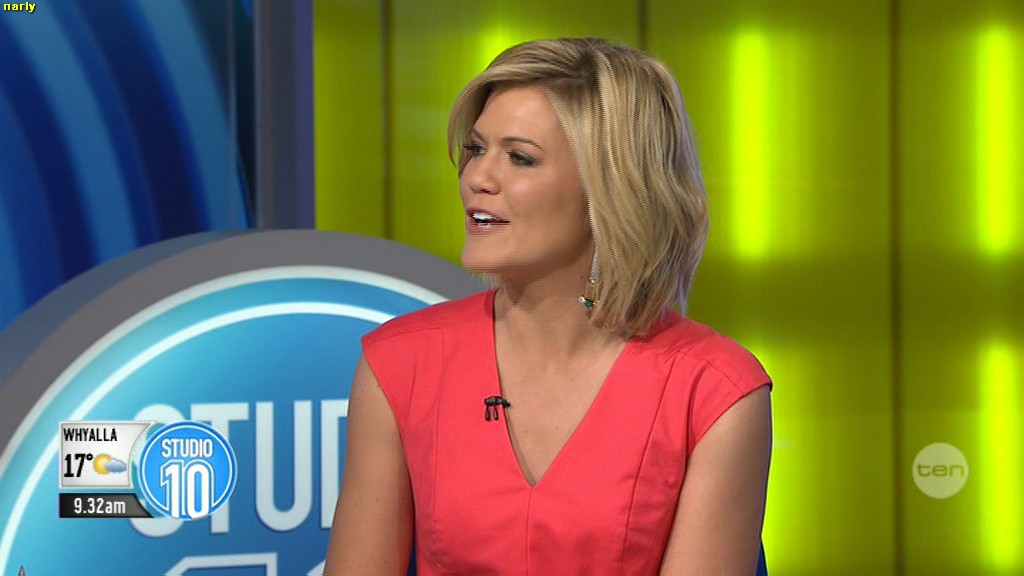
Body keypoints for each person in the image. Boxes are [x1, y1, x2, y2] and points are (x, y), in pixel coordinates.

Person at [325, 37, 772, 575]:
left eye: (519, 157)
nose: (476, 178)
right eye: (476, 150)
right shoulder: (401, 362)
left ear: (611, 189)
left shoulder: (714, 389)